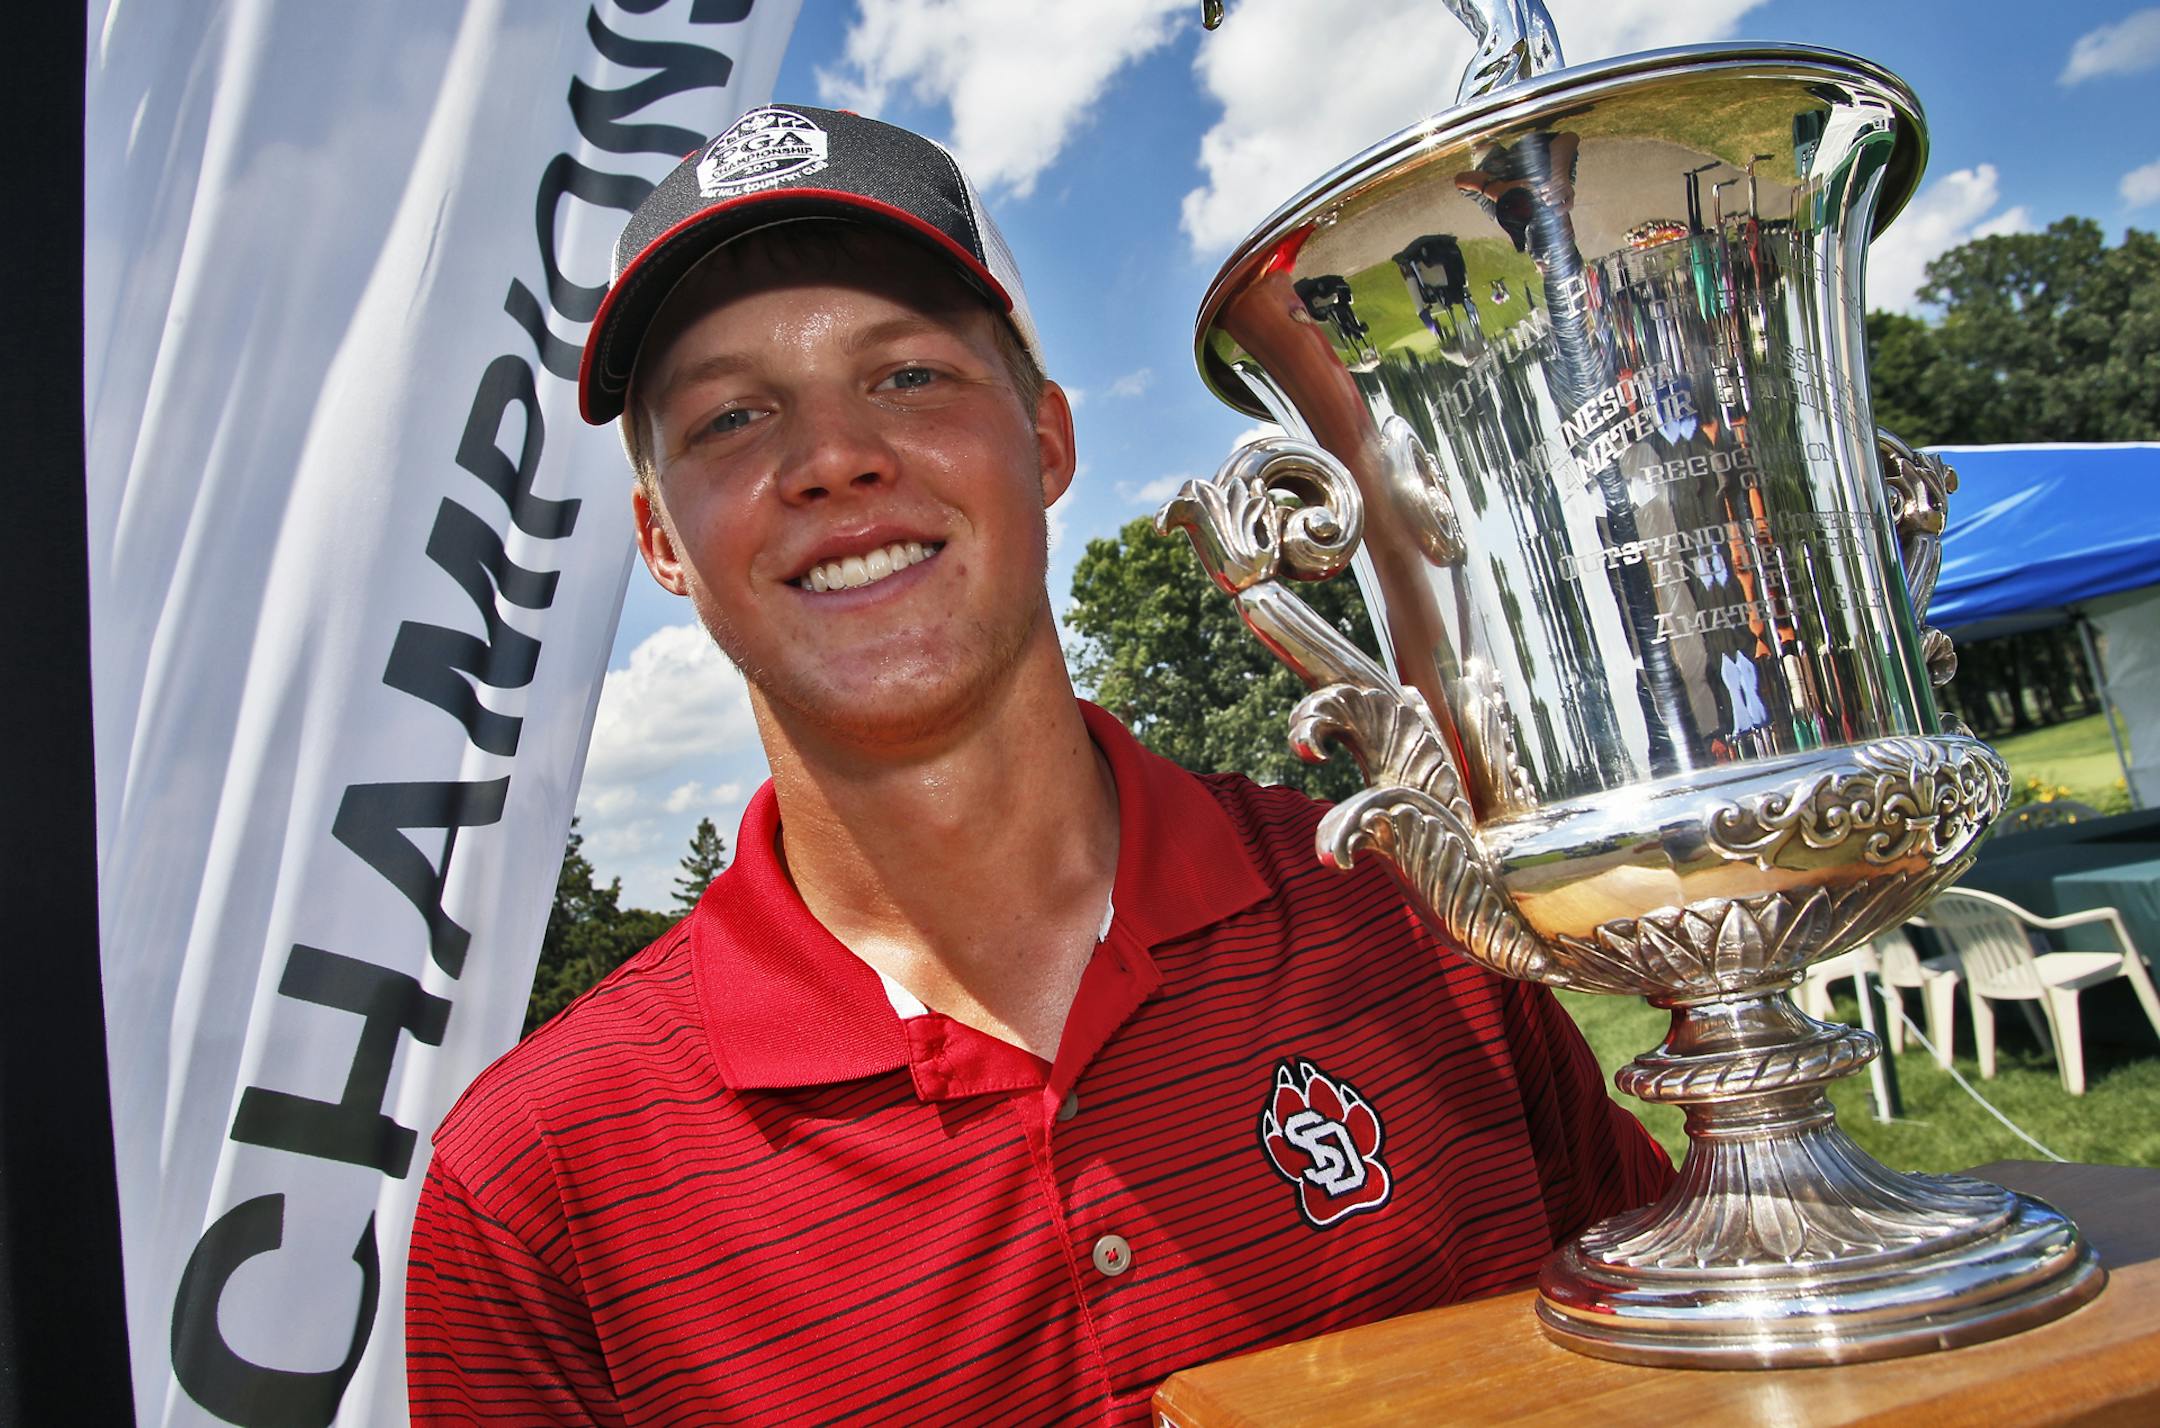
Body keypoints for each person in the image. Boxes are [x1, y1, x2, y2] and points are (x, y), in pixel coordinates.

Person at [405, 103, 1672, 1426]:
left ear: (1049, 442)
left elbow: (1690, 1348)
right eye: (732, 417)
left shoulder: (1407, 915)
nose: (833, 458)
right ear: (662, 540)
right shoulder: (531, 1192)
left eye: (908, 377)